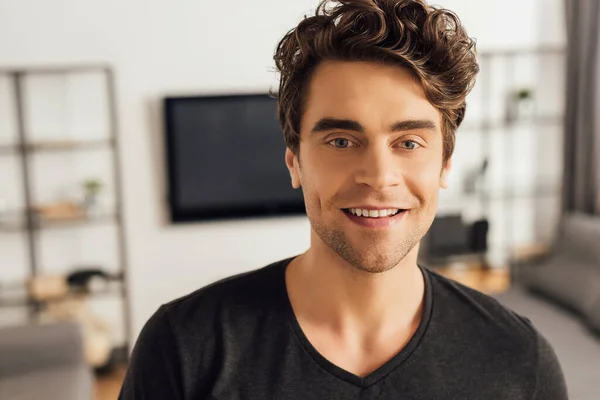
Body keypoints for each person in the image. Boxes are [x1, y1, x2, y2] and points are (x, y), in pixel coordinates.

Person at [119, 0, 568, 398]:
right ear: (294, 162)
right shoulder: (183, 348)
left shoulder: (519, 361)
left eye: (409, 142)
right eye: (340, 141)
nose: (378, 177)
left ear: (445, 164)